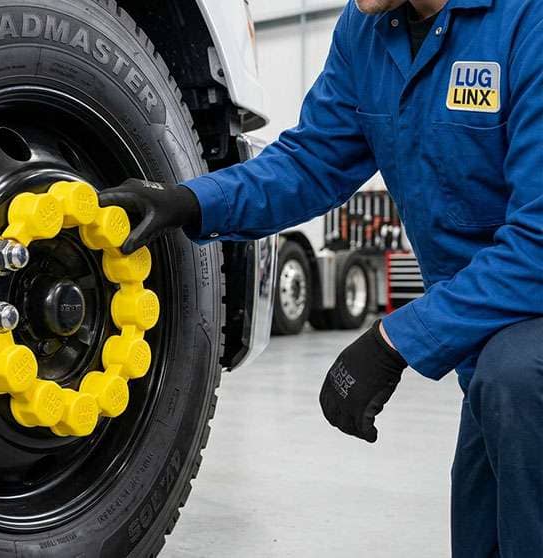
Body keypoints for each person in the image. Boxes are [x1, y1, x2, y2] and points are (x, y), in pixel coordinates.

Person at [99, 0, 543, 555]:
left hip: (524, 353)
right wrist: (190, 201)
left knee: (516, 382)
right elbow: (311, 162)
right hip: (491, 348)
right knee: (484, 536)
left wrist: (393, 342)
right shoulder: (367, 30)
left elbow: (538, 245)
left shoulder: (528, 22)